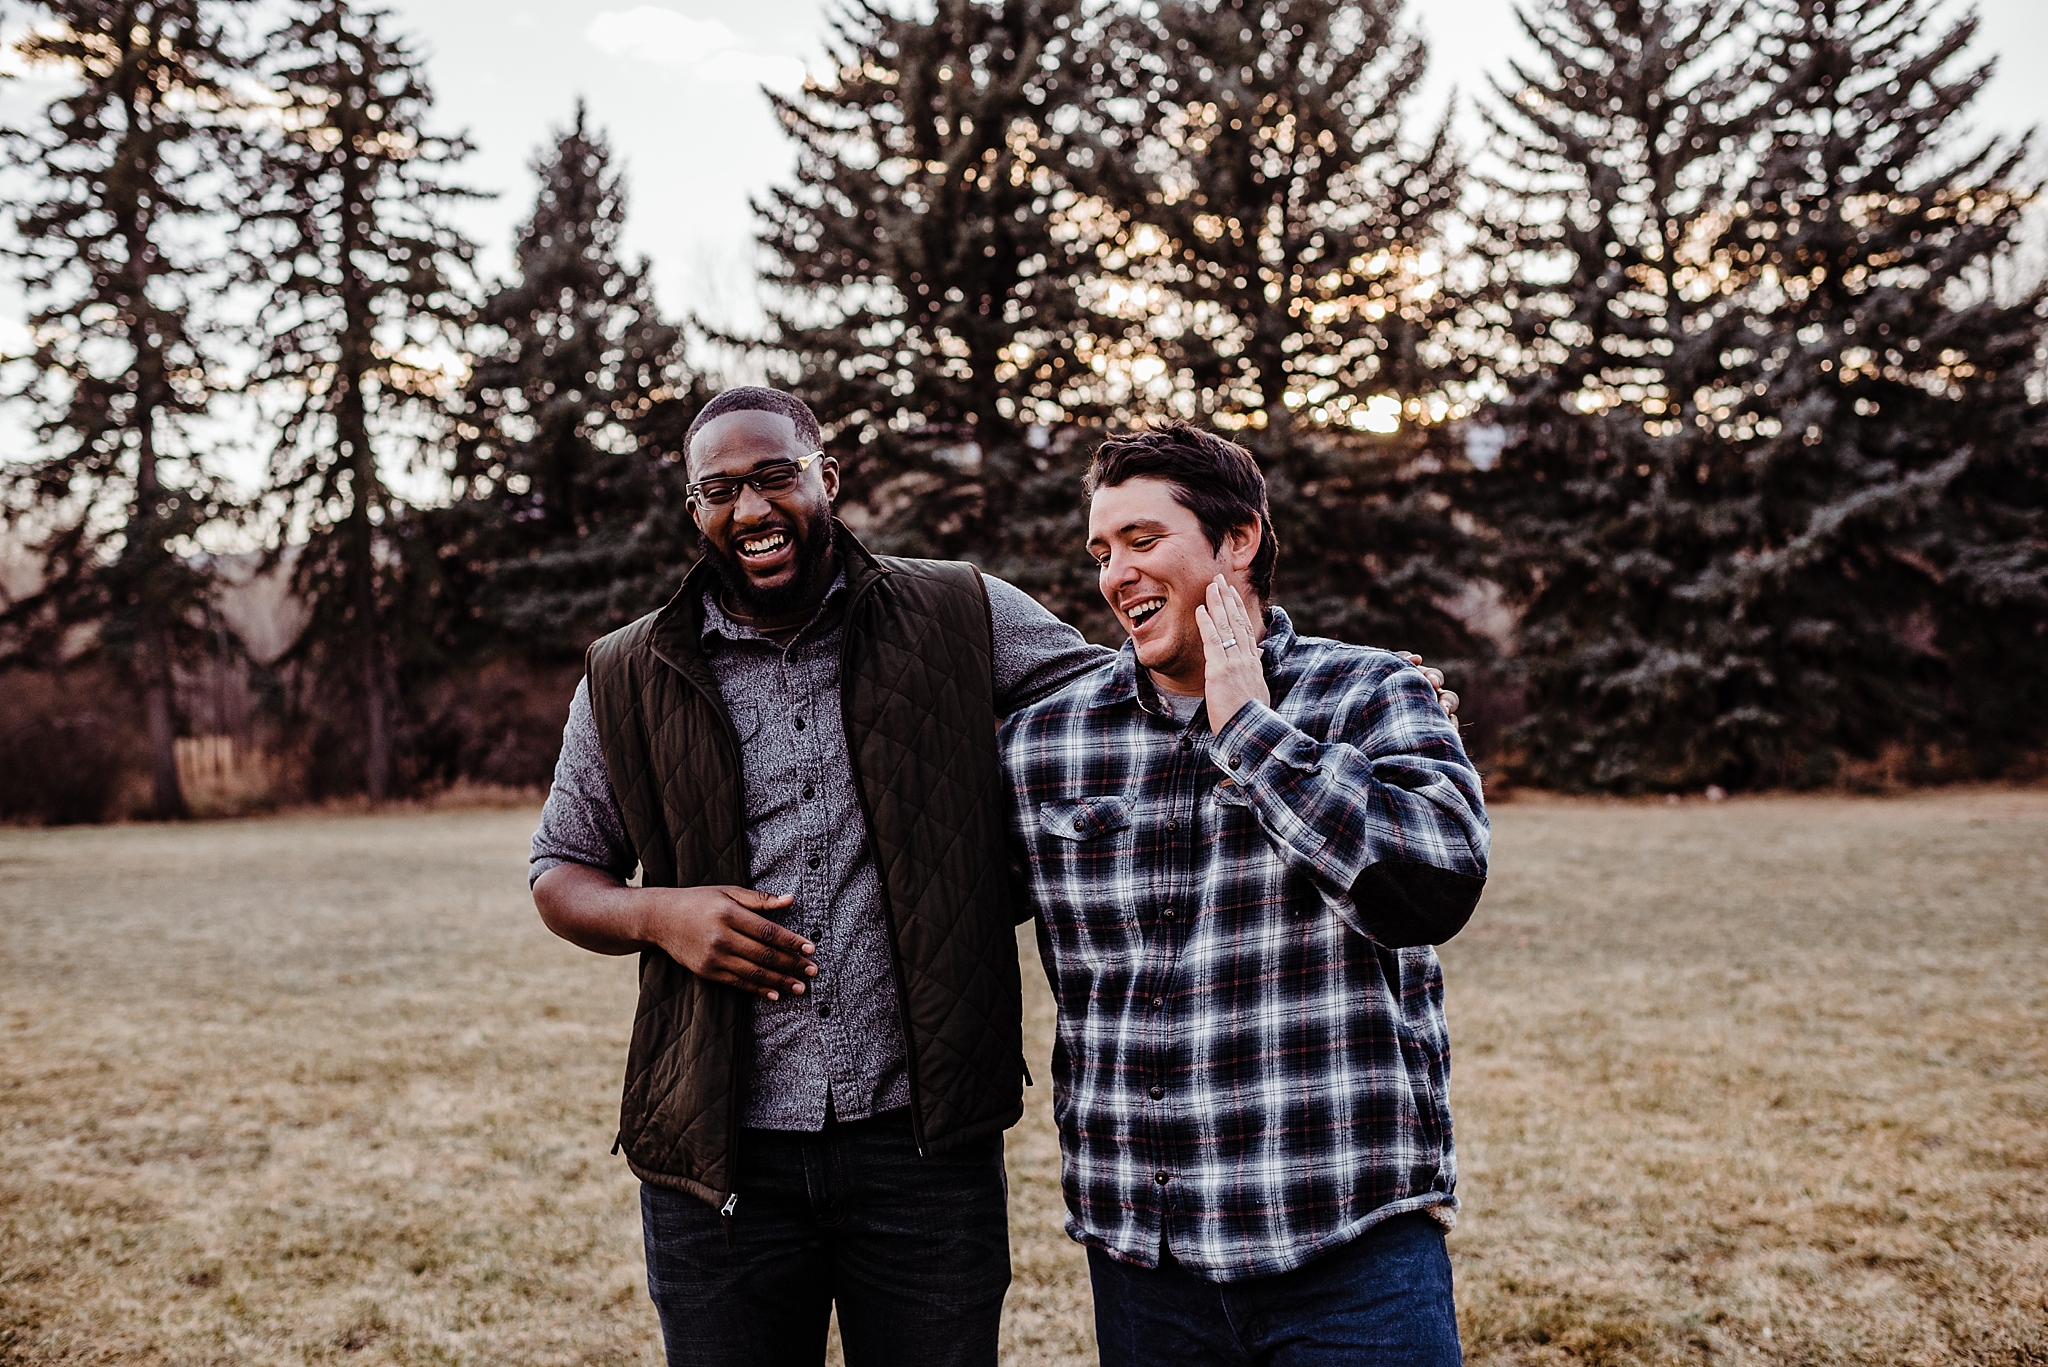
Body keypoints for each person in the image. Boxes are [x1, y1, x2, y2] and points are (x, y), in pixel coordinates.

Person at [527, 386, 1112, 1367]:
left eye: (772, 476)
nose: (750, 508)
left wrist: (1312, 674)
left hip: (922, 1146)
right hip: (718, 1160)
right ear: (694, 510)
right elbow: (558, 868)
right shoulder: (625, 672)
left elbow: (1124, 696)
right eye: (720, 490)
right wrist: (659, 914)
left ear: (823, 478)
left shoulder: (958, 608)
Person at [999, 422, 1490, 1367]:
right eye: (1103, 551)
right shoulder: (1047, 743)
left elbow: (1435, 887)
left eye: (1145, 540)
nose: (1117, 574)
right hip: (1147, 1263)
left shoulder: (1372, 694)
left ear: (1239, 539)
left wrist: (1250, 731)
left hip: (1350, 1245)